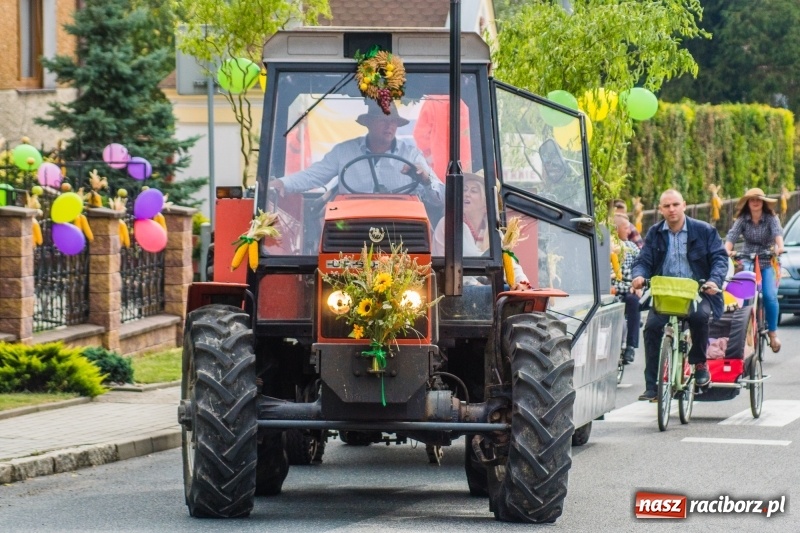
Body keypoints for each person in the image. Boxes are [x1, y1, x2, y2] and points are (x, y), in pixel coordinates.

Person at [631, 189, 728, 401]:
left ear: (684, 205)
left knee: (700, 317)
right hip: (665, 293)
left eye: (675, 204)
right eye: (667, 206)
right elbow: (643, 260)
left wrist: (714, 281)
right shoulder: (655, 233)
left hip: (698, 292)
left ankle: (700, 364)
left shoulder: (704, 230)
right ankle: (652, 386)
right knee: (651, 328)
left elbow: (720, 258)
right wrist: (638, 276)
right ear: (660, 210)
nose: (672, 209)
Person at [271, 100, 444, 210]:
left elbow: (441, 199)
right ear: (368, 122)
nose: (389, 126)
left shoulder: (411, 155)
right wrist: (281, 183)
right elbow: (313, 176)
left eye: (393, 121)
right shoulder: (344, 152)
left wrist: (426, 180)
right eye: (383, 120)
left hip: (401, 228)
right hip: (350, 226)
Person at [433, 173, 530, 290]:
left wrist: (522, 283)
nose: (466, 194)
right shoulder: (448, 225)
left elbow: (510, 264)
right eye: (464, 190)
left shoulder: (495, 233)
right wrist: (479, 287)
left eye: (474, 191)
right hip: (455, 291)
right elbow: (446, 267)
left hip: (488, 291)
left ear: (486, 203)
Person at [724, 188, 784, 352]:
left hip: (767, 260)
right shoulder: (742, 219)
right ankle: (743, 330)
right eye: (752, 200)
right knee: (743, 295)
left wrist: (780, 247)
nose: (755, 202)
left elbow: (778, 234)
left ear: (763, 202)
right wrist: (727, 250)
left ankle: (772, 333)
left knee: (770, 296)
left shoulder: (771, 218)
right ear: (748, 203)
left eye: (758, 200)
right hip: (747, 258)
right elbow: (732, 235)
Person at [611, 213, 641, 364]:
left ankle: (631, 346)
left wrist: (638, 284)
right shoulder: (607, 246)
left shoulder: (632, 247)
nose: (629, 231)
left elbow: (639, 267)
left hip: (628, 288)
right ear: (616, 229)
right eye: (626, 228)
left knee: (634, 301)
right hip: (613, 290)